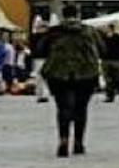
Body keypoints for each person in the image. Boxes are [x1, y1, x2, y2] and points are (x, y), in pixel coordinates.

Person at [40, 16, 104, 157]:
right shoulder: (89, 31)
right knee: (81, 108)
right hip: (86, 73)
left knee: (63, 107)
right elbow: (102, 49)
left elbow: (41, 49)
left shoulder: (54, 32)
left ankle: (63, 139)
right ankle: (78, 142)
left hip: (58, 73)